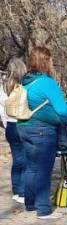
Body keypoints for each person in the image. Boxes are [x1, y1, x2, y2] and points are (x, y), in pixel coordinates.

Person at [16, 47, 67, 219]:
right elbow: (63, 111)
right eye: (50, 59)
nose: (52, 63)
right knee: (44, 170)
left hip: (23, 127)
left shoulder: (25, 81)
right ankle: (43, 209)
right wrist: (66, 122)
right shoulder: (47, 83)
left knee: (31, 168)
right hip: (42, 131)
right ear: (45, 61)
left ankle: (30, 203)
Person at [0, 58, 27, 205]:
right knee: (24, 160)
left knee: (17, 160)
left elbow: (2, 110)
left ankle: (17, 190)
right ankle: (22, 191)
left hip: (10, 125)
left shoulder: (3, 87)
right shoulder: (22, 86)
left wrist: (6, 124)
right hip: (21, 123)